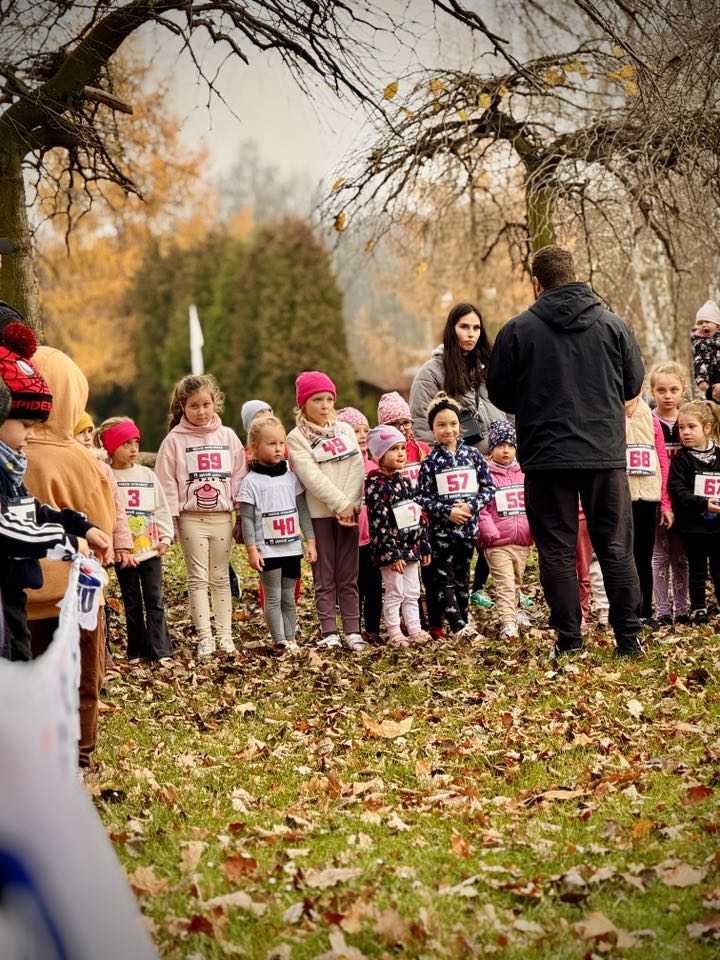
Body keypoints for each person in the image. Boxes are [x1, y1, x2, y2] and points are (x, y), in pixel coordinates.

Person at [486, 244, 645, 658]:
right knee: (615, 547)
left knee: (556, 549)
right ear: (575, 276)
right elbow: (632, 385)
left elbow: (500, 392)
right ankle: (629, 638)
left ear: (536, 283)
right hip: (603, 453)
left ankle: (569, 640)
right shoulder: (614, 325)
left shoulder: (517, 331)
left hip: (546, 456)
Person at [24, 344, 114, 770]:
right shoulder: (80, 459)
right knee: (80, 677)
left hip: (21, 589)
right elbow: (102, 522)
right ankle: (79, 750)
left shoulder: (11, 450)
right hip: (74, 593)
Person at [0, 330, 104, 663]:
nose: (30, 435)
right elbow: (6, 529)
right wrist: (67, 541)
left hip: (14, 592)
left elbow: (29, 509)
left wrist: (80, 526)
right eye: (25, 424)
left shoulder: (9, 468)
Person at [410, 302, 507, 613]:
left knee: (497, 533)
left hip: (491, 465)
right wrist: (443, 463)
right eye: (464, 327)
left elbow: (507, 411)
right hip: (451, 475)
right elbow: (422, 426)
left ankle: (483, 590)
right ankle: (444, 609)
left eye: (476, 328)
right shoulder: (432, 372)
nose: (471, 334)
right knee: (452, 548)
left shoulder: (488, 369)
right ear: (452, 330)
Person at [155, 374, 246, 659]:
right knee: (197, 579)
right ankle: (205, 637)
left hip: (222, 518)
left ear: (215, 403)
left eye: (206, 404)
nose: (201, 411)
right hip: (191, 519)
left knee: (220, 577)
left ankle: (225, 635)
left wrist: (241, 513)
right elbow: (167, 483)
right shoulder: (173, 441)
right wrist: (170, 521)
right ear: (182, 407)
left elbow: (239, 476)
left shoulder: (228, 436)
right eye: (194, 406)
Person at [286, 371, 365, 651]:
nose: (324, 405)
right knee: (325, 575)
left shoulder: (345, 430)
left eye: (329, 399)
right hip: (321, 514)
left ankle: (353, 630)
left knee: (348, 575)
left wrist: (350, 504)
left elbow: (357, 465)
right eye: (317, 399)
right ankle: (329, 630)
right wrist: (339, 504)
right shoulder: (296, 438)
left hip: (350, 513)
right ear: (303, 403)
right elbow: (311, 476)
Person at [416, 392, 494, 641]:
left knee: (462, 578)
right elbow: (421, 497)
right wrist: (447, 511)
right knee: (444, 580)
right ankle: (458, 626)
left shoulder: (473, 456)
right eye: (441, 425)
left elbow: (488, 488)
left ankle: (464, 620)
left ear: (460, 425)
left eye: (453, 424)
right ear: (432, 428)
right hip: (441, 533)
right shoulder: (430, 461)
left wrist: (471, 506)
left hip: (467, 531)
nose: (448, 430)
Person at [97, 417, 174, 664]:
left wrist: (165, 537)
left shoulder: (147, 475)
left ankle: (161, 650)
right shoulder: (106, 476)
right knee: (131, 601)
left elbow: (160, 506)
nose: (133, 449)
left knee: (155, 599)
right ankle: (136, 650)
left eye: (136, 443)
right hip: (124, 554)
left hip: (149, 550)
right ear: (111, 447)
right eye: (125, 444)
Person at [238, 415, 316, 651]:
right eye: (272, 443)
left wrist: (310, 541)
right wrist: (252, 550)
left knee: (289, 598)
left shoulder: (291, 478)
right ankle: (280, 640)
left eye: (282, 443)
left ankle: (291, 639)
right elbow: (247, 519)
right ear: (254, 447)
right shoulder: (251, 482)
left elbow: (303, 511)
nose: (278, 448)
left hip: (291, 548)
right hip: (268, 551)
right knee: (273, 598)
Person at [365, 425, 431, 647]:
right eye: (394, 449)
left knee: (413, 591)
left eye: (402, 448)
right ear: (380, 454)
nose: (401, 453)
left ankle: (415, 629)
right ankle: (394, 633)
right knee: (395, 592)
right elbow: (379, 522)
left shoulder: (404, 482)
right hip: (391, 552)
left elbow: (416, 515)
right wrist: (392, 553)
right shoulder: (375, 485)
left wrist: (423, 544)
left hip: (410, 548)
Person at [476, 421, 533, 640]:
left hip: (521, 540)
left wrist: (531, 529)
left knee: (516, 582)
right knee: (505, 584)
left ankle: (515, 611)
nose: (506, 450)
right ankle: (507, 623)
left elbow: (532, 503)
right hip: (498, 541)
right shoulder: (486, 475)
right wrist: (490, 532)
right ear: (491, 449)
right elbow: (481, 508)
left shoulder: (524, 473)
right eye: (500, 445)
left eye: (510, 445)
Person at [667, 400, 720, 624]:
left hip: (718, 527)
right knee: (697, 570)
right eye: (681, 427)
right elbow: (678, 491)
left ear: (707, 427)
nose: (685, 432)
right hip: (693, 528)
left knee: (719, 569)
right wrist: (704, 504)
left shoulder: (719, 455)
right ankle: (698, 608)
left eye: (691, 427)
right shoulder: (682, 460)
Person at [624, 393, 672, 621]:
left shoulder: (652, 422)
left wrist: (665, 502)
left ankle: (645, 612)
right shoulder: (610, 417)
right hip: (621, 498)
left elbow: (662, 461)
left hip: (648, 497)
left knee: (644, 556)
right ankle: (626, 610)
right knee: (623, 556)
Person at [337, 406, 382, 642]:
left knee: (373, 586)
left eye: (366, 430)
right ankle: (352, 629)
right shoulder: (340, 469)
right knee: (352, 587)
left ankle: (373, 630)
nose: (363, 435)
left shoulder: (375, 467)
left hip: (372, 539)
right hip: (349, 538)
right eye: (356, 431)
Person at [650, 361, 689, 623]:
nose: (667, 396)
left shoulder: (688, 421)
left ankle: (683, 608)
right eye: (661, 390)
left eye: (674, 390)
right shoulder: (649, 420)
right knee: (659, 554)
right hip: (656, 497)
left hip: (684, 497)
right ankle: (662, 610)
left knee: (681, 555)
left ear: (683, 390)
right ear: (652, 391)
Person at [377, 391, 429, 487]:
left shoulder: (423, 448)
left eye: (406, 422)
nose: (401, 428)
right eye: (394, 424)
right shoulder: (378, 458)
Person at [691, 300, 720, 395]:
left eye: (707, 322)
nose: (704, 325)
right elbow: (699, 361)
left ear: (717, 325)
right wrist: (701, 379)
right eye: (700, 323)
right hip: (710, 382)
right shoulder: (699, 343)